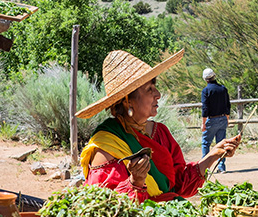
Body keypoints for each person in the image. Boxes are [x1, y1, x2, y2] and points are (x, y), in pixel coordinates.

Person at [77, 49, 240, 202]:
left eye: (155, 87)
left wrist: (213, 155)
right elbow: (104, 204)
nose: (158, 95)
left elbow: (178, 185)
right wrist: (135, 183)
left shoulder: (160, 132)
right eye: (149, 89)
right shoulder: (107, 145)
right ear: (128, 101)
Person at [200, 68, 231, 173]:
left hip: (212, 119)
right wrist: (227, 118)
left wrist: (203, 123)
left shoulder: (206, 90)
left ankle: (205, 167)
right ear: (214, 76)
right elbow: (228, 105)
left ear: (205, 79)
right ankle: (221, 167)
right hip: (222, 118)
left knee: (206, 143)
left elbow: (205, 108)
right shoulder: (223, 89)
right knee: (221, 143)